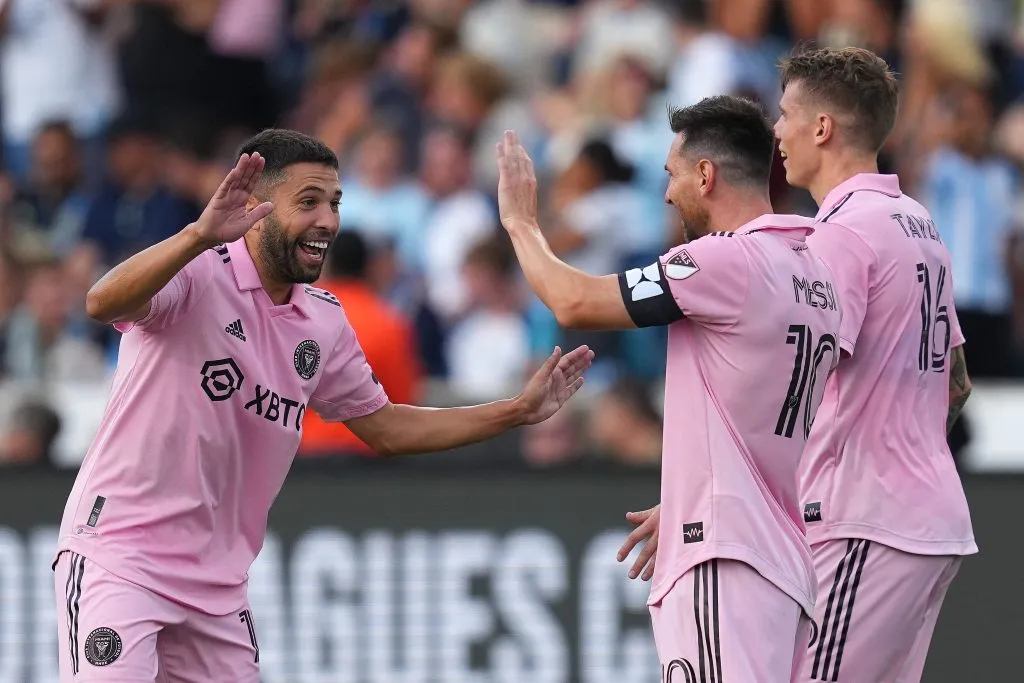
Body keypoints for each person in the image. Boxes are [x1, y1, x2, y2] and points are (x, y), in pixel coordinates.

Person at [53, 129, 593, 683]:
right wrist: (196, 235)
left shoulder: (324, 321)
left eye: (334, 203)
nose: (328, 221)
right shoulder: (198, 272)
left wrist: (516, 411)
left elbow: (388, 428)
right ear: (254, 209)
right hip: (122, 556)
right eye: (308, 202)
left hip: (216, 590)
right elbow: (101, 302)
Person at [620, 48, 978, 683]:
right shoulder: (917, 222)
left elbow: (797, 373)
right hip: (929, 521)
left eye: (785, 114)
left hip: (865, 519)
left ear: (822, 128)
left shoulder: (839, 234)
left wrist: (722, 492)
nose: (777, 132)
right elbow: (956, 383)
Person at [495, 96, 843, 681]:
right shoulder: (815, 272)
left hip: (725, 561)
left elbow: (573, 301)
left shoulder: (724, 261)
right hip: (781, 561)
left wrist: (521, 224)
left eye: (672, 173)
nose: (666, 193)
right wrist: (691, 492)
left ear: (705, 175)